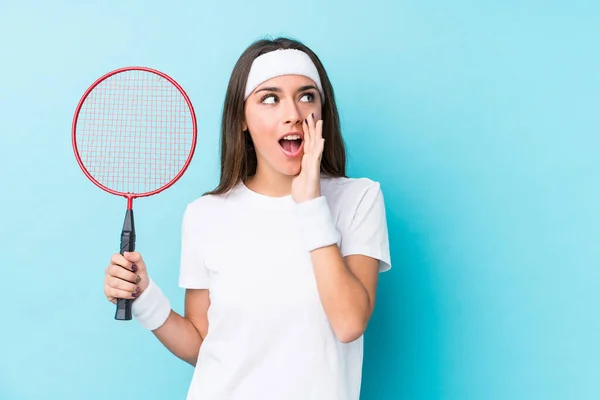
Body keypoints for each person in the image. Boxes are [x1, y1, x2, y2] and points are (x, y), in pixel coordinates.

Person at [103, 36, 392, 400]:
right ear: (241, 119)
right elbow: (203, 344)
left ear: (322, 112)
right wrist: (144, 297)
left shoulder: (358, 199)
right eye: (269, 98)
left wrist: (310, 202)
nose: (293, 113)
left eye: (307, 96)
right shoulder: (205, 214)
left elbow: (349, 323)